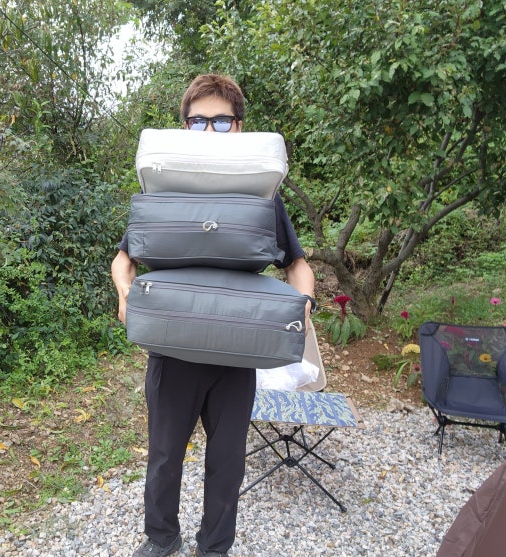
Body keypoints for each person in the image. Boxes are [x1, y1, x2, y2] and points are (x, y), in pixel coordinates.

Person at [111, 74, 315, 557]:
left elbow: (297, 264)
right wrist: (124, 294)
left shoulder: (261, 197)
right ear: (183, 126)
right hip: (173, 351)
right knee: (164, 456)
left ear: (239, 127)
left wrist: (304, 305)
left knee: (227, 462)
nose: (208, 130)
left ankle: (214, 547)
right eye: (198, 121)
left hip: (235, 353)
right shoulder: (167, 192)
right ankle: (162, 538)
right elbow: (124, 257)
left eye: (221, 121)